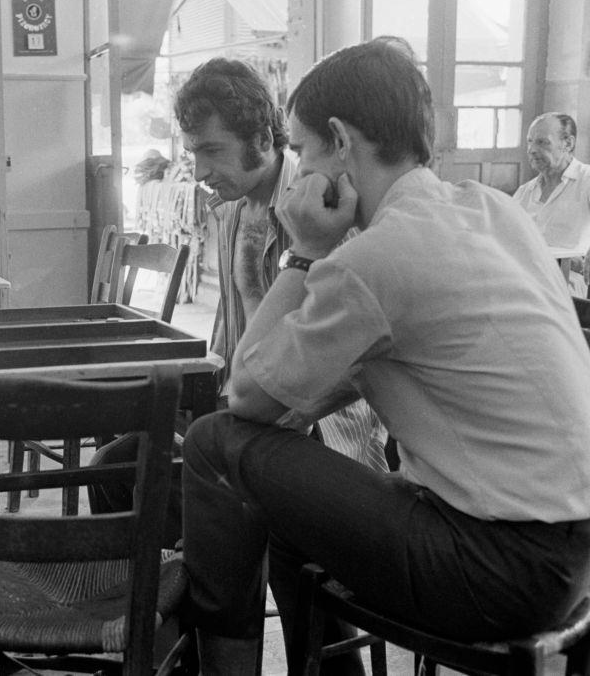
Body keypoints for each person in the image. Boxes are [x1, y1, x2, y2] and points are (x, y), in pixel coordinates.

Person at [181, 38, 590, 675]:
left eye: (302, 146)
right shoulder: (493, 211)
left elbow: (245, 395)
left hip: (491, 568)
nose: (300, 164)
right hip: (569, 555)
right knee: (284, 491)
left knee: (212, 445)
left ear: (341, 142)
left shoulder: (374, 258)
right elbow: (378, 370)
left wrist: (303, 252)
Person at [174, 57, 388, 471]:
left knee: (193, 466)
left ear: (260, 139)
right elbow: (234, 328)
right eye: (192, 153)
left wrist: (285, 418)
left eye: (212, 151)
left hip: (321, 434)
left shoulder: (323, 211)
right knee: (125, 459)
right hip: (247, 411)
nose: (200, 172)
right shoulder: (230, 207)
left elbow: (366, 352)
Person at [513, 112, 590, 292]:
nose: (531, 149)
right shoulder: (525, 192)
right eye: (530, 141)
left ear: (568, 144)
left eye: (542, 142)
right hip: (526, 275)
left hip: (568, 281)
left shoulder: (587, 179)